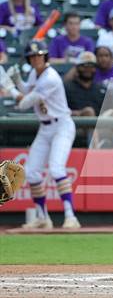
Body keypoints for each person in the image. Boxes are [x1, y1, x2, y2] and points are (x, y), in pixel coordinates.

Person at [9, 40, 80, 229]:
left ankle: (70, 216)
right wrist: (17, 80)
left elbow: (25, 102)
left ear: (45, 56)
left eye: (39, 55)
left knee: (57, 169)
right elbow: (27, 90)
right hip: (45, 127)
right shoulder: (35, 73)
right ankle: (42, 217)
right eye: (32, 56)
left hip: (62, 125)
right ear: (29, 59)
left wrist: (9, 88)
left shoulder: (50, 78)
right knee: (31, 172)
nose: (36, 59)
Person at [65, 52, 106, 117]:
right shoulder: (67, 88)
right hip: (75, 124)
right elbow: (61, 111)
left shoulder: (101, 89)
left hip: (99, 125)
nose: (88, 69)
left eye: (92, 66)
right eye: (84, 66)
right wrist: (80, 113)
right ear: (77, 67)